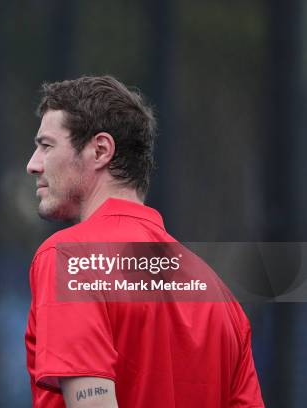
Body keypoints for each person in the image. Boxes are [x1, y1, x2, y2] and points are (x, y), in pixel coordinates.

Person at [24, 75, 264, 407]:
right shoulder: (219, 296)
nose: (32, 164)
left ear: (100, 150)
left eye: (46, 145)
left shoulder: (70, 259)